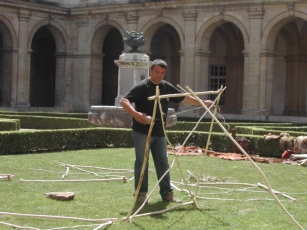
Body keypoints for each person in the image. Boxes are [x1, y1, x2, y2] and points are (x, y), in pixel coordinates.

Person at [120, 59, 213, 204]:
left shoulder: (166, 87)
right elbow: (124, 100)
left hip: (160, 131)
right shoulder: (143, 86)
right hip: (142, 131)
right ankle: (140, 195)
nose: (159, 75)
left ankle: (167, 194)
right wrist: (136, 115)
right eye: (157, 72)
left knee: (163, 162)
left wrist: (202, 102)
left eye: (162, 73)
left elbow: (183, 98)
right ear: (151, 71)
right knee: (142, 162)